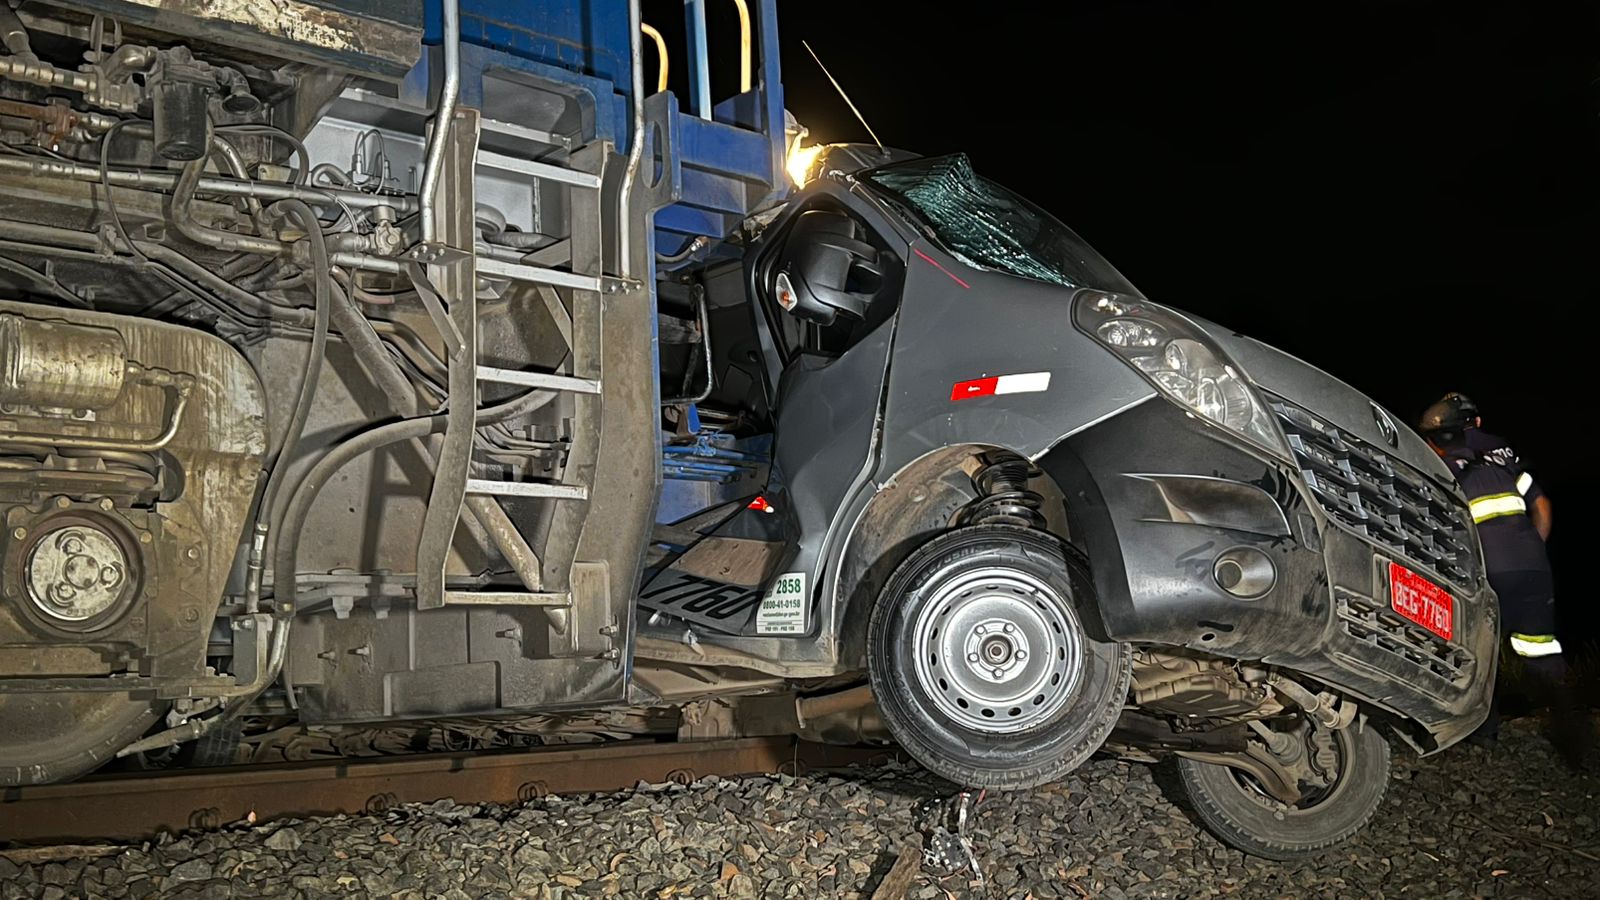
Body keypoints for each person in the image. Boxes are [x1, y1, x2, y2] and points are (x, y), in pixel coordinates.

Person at [1418, 392, 1578, 763]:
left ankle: (1482, 733)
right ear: (1475, 423)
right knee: (1541, 648)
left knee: (1476, 652)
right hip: (1533, 568)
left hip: (1486, 573)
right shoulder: (1506, 458)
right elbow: (1542, 505)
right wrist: (1533, 546)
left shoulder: (1442, 467)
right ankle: (1571, 729)